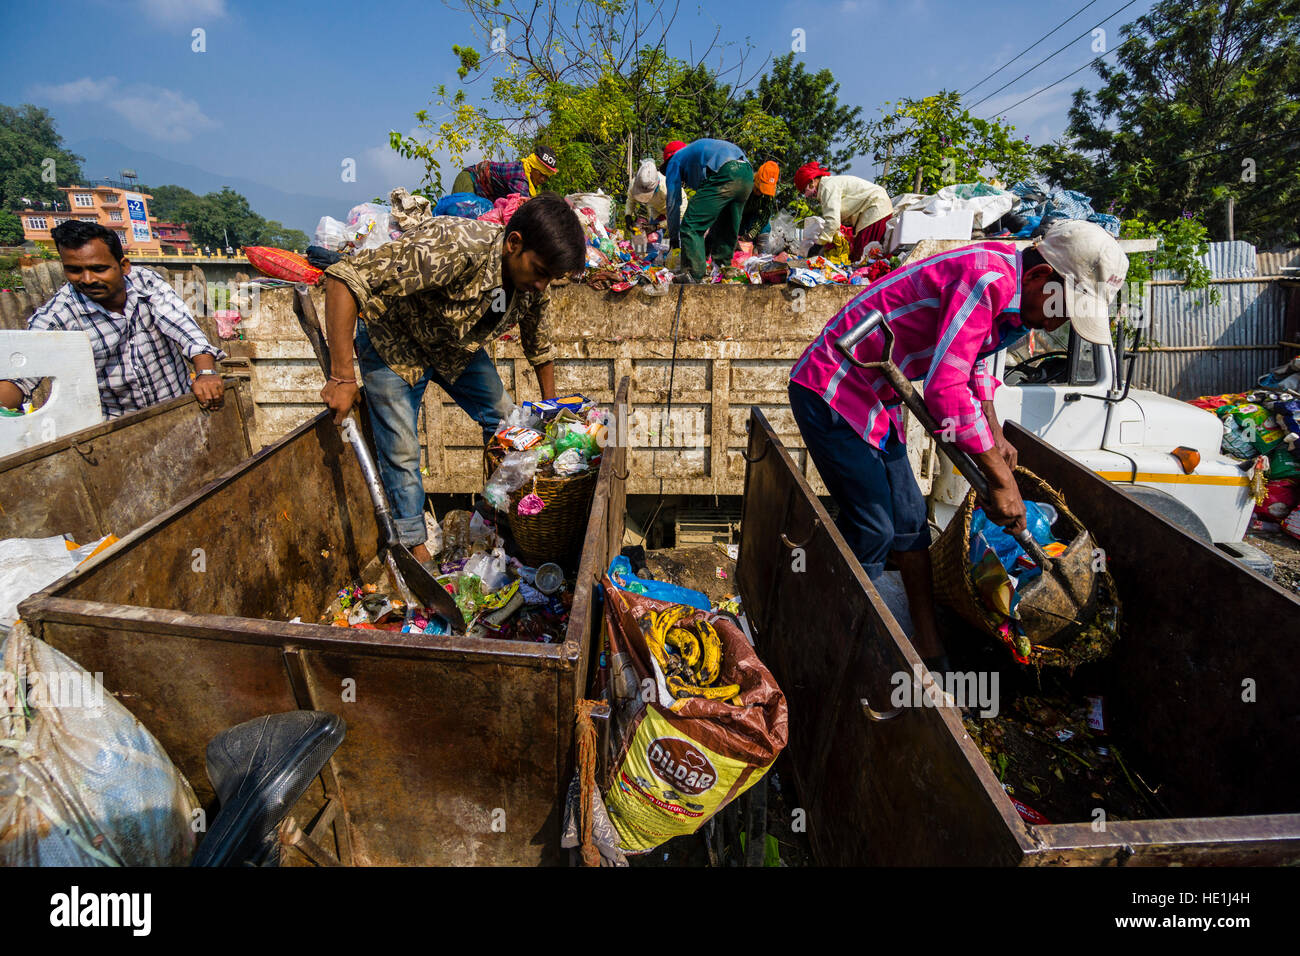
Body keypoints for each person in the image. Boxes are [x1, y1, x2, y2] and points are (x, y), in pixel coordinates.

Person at [787, 220, 1128, 671]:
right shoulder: (986, 278)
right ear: (1038, 277)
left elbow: (972, 369)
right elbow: (944, 392)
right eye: (1061, 309)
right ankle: (833, 642)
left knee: (910, 521)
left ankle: (928, 642)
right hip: (832, 387)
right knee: (873, 531)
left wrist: (996, 436)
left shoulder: (1014, 301)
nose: (1057, 322)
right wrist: (1001, 479)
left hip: (877, 398)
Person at [319, 192, 586, 566]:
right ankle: (413, 549)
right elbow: (344, 278)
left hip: (454, 346)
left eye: (550, 278)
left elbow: (538, 345)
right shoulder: (454, 245)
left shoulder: (532, 286)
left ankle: (498, 513)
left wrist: (553, 410)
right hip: (394, 341)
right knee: (402, 449)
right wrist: (342, 376)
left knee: (508, 424)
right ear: (514, 243)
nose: (543, 285)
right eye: (540, 272)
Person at [0, 220, 226, 418]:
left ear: (123, 266)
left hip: (179, 408)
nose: (87, 279)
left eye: (98, 269)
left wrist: (206, 372)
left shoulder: (145, 283)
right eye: (74, 270)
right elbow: (20, 377)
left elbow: (183, 327)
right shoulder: (57, 317)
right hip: (116, 429)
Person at [663, 139, 754, 282]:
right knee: (726, 226)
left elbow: (673, 203)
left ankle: (693, 274)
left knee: (690, 225)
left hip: (726, 170)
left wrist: (674, 238)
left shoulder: (674, 161)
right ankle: (723, 269)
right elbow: (712, 215)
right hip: (747, 173)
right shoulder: (696, 154)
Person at [795, 162, 893, 262]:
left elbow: (833, 222)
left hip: (875, 208)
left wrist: (818, 244)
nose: (806, 195)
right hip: (873, 211)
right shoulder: (827, 186)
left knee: (863, 258)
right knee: (860, 256)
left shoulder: (827, 187)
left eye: (804, 191)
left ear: (812, 182)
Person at [452, 144, 559, 201]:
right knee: (462, 215)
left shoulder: (529, 182)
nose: (543, 179)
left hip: (485, 195)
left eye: (546, 177)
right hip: (470, 180)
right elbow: (526, 208)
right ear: (532, 167)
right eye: (541, 174)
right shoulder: (519, 176)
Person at [739, 161, 780, 242]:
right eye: (759, 189)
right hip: (738, 216)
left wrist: (751, 234)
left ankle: (758, 250)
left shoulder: (768, 196)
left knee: (766, 227)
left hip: (752, 218)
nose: (761, 192)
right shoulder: (744, 184)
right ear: (757, 180)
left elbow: (764, 216)